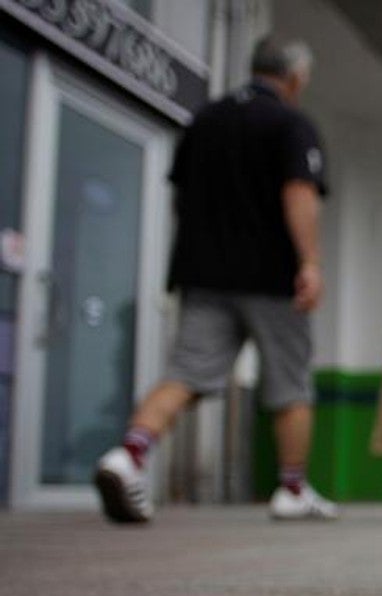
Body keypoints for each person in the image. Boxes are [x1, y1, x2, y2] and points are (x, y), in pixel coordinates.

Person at [93, 35, 337, 524]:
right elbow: (299, 192)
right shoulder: (292, 124)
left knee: (184, 373)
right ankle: (292, 490)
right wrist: (309, 262)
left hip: (203, 273)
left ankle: (129, 456)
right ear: (294, 78)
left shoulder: (205, 119)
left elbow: (180, 197)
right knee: (290, 385)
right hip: (272, 278)